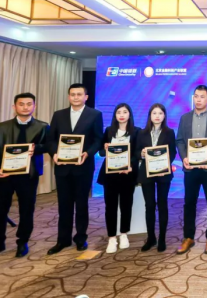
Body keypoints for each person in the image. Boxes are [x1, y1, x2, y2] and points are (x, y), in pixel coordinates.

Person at [0, 93, 48, 261]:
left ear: (34, 106)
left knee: (27, 210)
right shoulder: (1, 127)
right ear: (14, 107)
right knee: (0, 210)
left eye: (29, 104)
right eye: (21, 104)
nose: (25, 107)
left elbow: (49, 146)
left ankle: (22, 242)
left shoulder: (43, 126)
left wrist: (36, 148)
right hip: (4, 176)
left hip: (28, 176)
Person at [46, 83, 103, 255]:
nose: (76, 97)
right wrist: (54, 153)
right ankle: (62, 240)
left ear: (86, 97)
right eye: (72, 94)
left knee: (82, 204)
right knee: (64, 205)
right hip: (62, 168)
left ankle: (80, 238)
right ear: (68, 96)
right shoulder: (58, 115)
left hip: (83, 167)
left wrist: (88, 153)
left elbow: (98, 140)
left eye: (79, 94)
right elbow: (51, 139)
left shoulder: (95, 114)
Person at [176, 85, 207, 255]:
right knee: (189, 202)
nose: (198, 99)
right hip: (190, 168)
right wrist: (184, 157)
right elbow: (180, 141)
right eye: (196, 96)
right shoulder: (185, 118)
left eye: (202, 96)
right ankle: (188, 237)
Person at [97, 103, 141, 254]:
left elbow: (137, 153)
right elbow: (101, 152)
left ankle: (123, 234)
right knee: (110, 207)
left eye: (125, 112)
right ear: (115, 115)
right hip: (110, 175)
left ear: (130, 114)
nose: (121, 115)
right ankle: (111, 238)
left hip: (127, 174)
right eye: (118, 112)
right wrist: (105, 148)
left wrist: (130, 165)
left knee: (126, 205)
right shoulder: (109, 130)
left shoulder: (136, 131)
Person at [136, 103, 177, 252]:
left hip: (163, 173)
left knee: (162, 204)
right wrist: (141, 154)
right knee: (149, 205)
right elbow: (136, 152)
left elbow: (172, 152)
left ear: (164, 116)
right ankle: (151, 238)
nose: (157, 116)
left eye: (160, 113)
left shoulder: (169, 132)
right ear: (150, 116)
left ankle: (162, 238)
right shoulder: (142, 133)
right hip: (146, 173)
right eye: (154, 113)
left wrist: (164, 165)